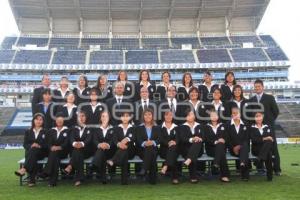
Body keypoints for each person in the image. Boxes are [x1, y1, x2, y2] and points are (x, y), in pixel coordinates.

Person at [249, 79, 281, 175]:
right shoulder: (252, 100)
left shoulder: (269, 98)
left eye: (259, 86)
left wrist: (269, 121)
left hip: (268, 126)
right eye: (255, 87)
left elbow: (276, 111)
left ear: (263, 87)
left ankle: (277, 169)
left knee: (273, 147)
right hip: (257, 127)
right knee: (258, 145)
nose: (257, 88)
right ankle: (260, 168)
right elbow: (250, 114)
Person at [14, 113, 48, 187]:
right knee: (33, 154)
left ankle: (25, 169)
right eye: (37, 119)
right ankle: (32, 180)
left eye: (40, 119)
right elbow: (25, 144)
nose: (38, 121)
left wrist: (39, 145)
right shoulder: (28, 131)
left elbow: (47, 145)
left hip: (41, 152)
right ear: (33, 120)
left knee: (34, 151)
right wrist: (31, 145)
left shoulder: (46, 131)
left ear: (43, 121)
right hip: (31, 152)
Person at [63, 111, 93, 186]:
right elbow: (71, 138)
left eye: (83, 116)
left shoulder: (90, 128)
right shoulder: (73, 128)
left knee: (78, 151)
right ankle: (79, 178)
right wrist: (75, 143)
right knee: (78, 154)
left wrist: (82, 144)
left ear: (86, 118)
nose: (81, 118)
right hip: (77, 150)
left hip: (87, 151)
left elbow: (89, 139)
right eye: (79, 116)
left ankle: (70, 166)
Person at [39, 113, 70, 187]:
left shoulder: (67, 130)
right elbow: (48, 142)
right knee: (55, 158)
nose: (59, 121)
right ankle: (52, 182)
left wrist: (59, 147)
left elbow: (67, 143)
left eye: (61, 120)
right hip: (53, 152)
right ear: (55, 121)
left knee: (54, 154)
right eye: (58, 120)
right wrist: (51, 147)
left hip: (63, 152)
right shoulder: (51, 131)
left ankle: (46, 172)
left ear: (63, 121)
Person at [107, 112, 136, 185]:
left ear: (130, 118)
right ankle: (124, 181)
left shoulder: (133, 128)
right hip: (121, 151)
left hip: (131, 151)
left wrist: (127, 139)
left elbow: (135, 138)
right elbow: (114, 139)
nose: (125, 118)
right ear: (120, 118)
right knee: (124, 153)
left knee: (125, 151)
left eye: (127, 116)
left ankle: (113, 161)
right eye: (123, 116)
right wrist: (119, 144)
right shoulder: (116, 128)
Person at [177, 109, 204, 183]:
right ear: (186, 117)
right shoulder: (182, 127)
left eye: (192, 114)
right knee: (192, 152)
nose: (192, 116)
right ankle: (193, 176)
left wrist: (198, 138)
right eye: (189, 115)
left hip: (198, 149)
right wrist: (192, 139)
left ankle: (188, 160)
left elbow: (204, 137)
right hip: (186, 149)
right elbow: (182, 139)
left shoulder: (199, 125)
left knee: (197, 142)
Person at [135, 108, 161, 184]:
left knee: (151, 149)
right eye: (145, 115)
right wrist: (144, 143)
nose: (147, 116)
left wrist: (153, 142)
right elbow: (138, 139)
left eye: (149, 114)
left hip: (154, 149)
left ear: (152, 116)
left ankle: (144, 169)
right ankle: (152, 177)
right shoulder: (139, 127)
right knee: (150, 151)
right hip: (142, 150)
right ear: (143, 116)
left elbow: (159, 139)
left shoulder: (157, 127)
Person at [204, 110, 230, 182]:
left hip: (221, 147)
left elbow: (227, 137)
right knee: (221, 151)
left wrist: (224, 140)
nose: (214, 117)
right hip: (211, 149)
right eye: (212, 115)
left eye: (215, 115)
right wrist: (216, 141)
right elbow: (206, 139)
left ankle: (216, 163)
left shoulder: (223, 125)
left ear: (218, 116)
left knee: (221, 146)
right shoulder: (206, 126)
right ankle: (225, 175)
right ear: (209, 117)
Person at [249, 112, 275, 181]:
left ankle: (260, 159)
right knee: (268, 149)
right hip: (256, 149)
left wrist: (267, 139)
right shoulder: (251, 127)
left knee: (268, 149)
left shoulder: (268, 126)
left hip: (266, 148)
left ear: (262, 117)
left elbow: (272, 138)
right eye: (257, 116)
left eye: (260, 116)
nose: (258, 118)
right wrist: (265, 138)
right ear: (254, 118)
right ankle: (270, 176)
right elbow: (254, 140)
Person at [226, 107, 250, 181]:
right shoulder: (227, 124)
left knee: (244, 147)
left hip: (243, 147)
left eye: (237, 113)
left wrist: (239, 146)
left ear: (240, 114)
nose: (235, 114)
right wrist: (233, 147)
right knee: (244, 152)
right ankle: (244, 174)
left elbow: (247, 138)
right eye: (233, 113)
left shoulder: (246, 124)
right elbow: (227, 139)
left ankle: (242, 164)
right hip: (233, 149)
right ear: (231, 115)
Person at [92, 111, 115, 184]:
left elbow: (114, 140)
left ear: (109, 118)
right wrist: (100, 144)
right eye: (103, 116)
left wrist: (107, 145)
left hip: (110, 151)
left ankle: (94, 166)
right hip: (99, 151)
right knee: (101, 151)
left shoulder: (113, 129)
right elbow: (94, 140)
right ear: (100, 118)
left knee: (101, 152)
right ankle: (104, 178)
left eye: (106, 116)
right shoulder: (96, 129)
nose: (104, 118)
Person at [159, 110, 180, 184]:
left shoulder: (176, 127)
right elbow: (160, 139)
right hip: (163, 150)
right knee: (172, 154)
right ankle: (175, 177)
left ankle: (165, 166)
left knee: (173, 150)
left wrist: (175, 142)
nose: (168, 117)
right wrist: (168, 143)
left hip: (174, 149)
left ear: (172, 116)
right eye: (166, 115)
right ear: (164, 116)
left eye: (170, 115)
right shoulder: (160, 127)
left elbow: (178, 138)